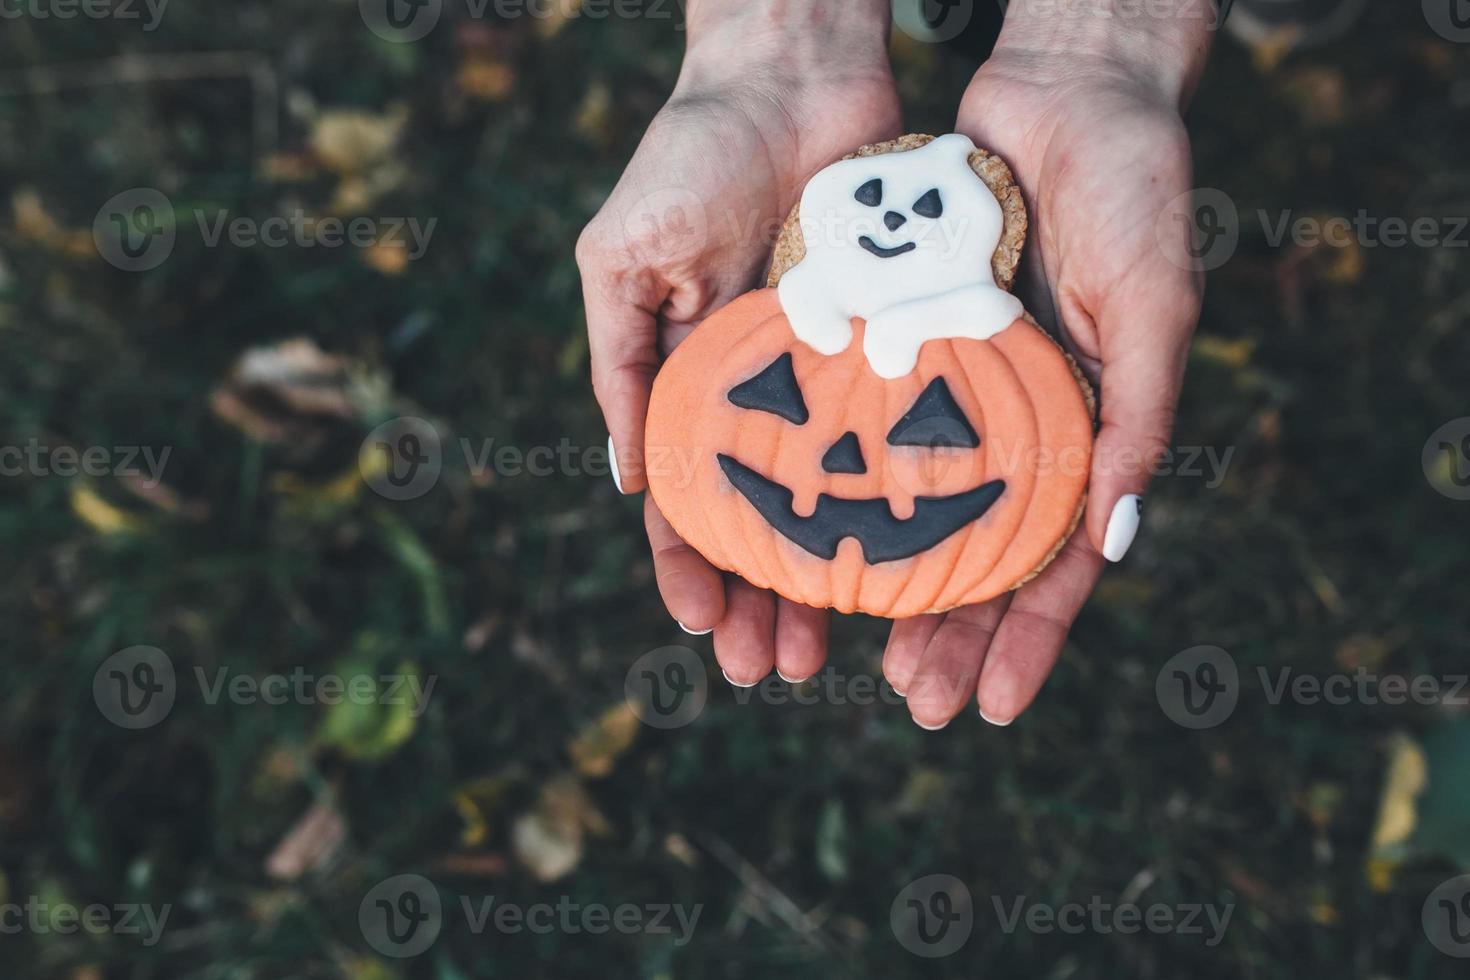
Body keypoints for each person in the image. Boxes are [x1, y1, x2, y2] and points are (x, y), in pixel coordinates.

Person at [576, 0, 1215, 730]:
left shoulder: (983, 327)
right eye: (775, 396)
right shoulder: (788, 313)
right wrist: (770, 48)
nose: (844, 461)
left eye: (932, 429)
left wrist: (1108, 38)